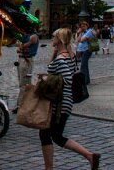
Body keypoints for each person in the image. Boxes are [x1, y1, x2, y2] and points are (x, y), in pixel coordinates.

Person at [37, 28, 100, 170]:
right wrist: (53, 54)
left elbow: (66, 79)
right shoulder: (69, 55)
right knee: (55, 136)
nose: (52, 38)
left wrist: (46, 78)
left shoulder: (61, 59)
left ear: (59, 40)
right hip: (66, 102)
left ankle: (50, 167)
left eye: (54, 36)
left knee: (48, 134)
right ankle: (89, 156)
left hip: (59, 104)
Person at [15, 28, 39, 113]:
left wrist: (22, 46)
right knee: (21, 83)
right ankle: (21, 104)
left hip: (27, 60)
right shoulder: (26, 36)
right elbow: (18, 49)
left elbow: (22, 46)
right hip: (21, 59)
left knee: (24, 84)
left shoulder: (33, 36)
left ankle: (21, 106)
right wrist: (21, 47)